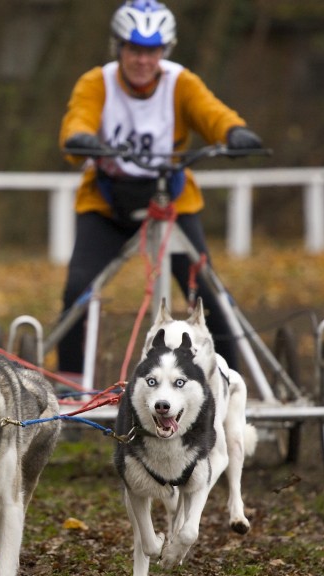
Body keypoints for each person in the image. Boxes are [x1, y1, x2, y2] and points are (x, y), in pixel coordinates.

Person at [57, 0, 263, 377]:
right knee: (79, 289)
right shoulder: (96, 83)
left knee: (208, 293)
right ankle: (70, 381)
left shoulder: (180, 82)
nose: (142, 60)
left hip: (172, 203)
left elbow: (212, 113)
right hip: (107, 204)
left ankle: (229, 381)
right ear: (118, 48)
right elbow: (78, 121)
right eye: (134, 50)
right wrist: (81, 138)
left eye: (151, 51)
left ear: (164, 52)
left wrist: (234, 132)